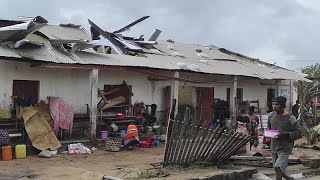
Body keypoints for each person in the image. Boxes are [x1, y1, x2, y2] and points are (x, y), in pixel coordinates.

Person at [268, 96, 301, 180]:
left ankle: (287, 178)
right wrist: (267, 134)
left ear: (282, 105)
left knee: (277, 167)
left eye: (277, 104)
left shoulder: (291, 118)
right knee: (277, 170)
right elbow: (269, 129)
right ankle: (288, 178)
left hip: (285, 147)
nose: (274, 106)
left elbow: (299, 132)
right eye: (273, 104)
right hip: (274, 146)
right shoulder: (271, 116)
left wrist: (286, 134)